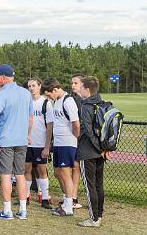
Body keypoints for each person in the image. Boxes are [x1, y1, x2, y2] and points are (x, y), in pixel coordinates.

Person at [0, 64, 33, 220]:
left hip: (5, 141)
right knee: (20, 175)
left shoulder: (2, 94)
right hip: (21, 140)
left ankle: (7, 211)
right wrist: (27, 134)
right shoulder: (26, 93)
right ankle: (22, 210)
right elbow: (30, 117)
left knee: (6, 175)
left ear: (3, 78)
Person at [41, 77, 80, 216]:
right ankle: (66, 200)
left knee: (65, 173)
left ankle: (69, 206)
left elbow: (76, 123)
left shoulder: (68, 101)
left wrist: (75, 139)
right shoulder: (56, 100)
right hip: (58, 143)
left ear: (56, 89)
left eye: (49, 94)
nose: (48, 97)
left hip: (67, 143)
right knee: (58, 173)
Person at [77, 76, 108, 227]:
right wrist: (103, 148)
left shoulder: (86, 106)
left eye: (81, 87)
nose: (79, 90)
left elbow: (88, 132)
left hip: (88, 151)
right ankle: (99, 215)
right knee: (98, 185)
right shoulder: (102, 104)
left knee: (90, 186)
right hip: (100, 152)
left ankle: (93, 219)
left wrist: (98, 148)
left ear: (87, 90)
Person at [24, 77, 53, 209]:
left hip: (40, 143)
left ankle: (45, 198)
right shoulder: (26, 102)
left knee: (42, 170)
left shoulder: (46, 103)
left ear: (39, 86)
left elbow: (49, 126)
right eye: (29, 86)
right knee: (26, 169)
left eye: (33, 85)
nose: (31, 88)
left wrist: (47, 146)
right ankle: (26, 196)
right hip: (27, 143)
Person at [71, 74, 84, 209]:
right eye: (72, 83)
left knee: (76, 168)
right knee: (67, 169)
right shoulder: (71, 100)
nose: (73, 85)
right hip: (71, 139)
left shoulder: (85, 100)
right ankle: (69, 196)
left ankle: (73, 197)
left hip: (82, 141)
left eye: (76, 83)